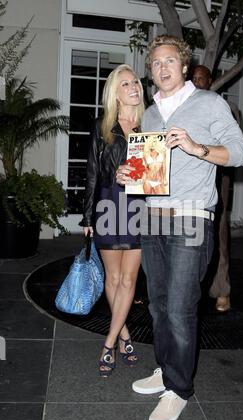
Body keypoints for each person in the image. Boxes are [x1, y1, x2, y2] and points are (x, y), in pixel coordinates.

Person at [117, 35, 243, 420]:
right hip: (154, 219)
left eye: (169, 61)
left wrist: (198, 147)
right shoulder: (152, 114)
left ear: (184, 66)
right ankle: (165, 368)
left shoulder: (209, 103)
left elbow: (240, 152)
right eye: (155, 63)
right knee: (157, 304)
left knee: (179, 307)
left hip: (192, 219)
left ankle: (179, 390)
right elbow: (150, 174)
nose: (162, 68)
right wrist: (129, 175)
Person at [79, 64, 145, 377]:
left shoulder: (152, 124)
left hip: (140, 208)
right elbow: (92, 173)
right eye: (125, 84)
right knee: (114, 278)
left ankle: (108, 343)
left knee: (130, 280)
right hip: (108, 204)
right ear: (115, 95)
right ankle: (125, 335)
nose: (133, 88)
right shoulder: (102, 126)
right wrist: (88, 214)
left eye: (135, 82)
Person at [192, 64, 236, 312]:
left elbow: (234, 150)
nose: (197, 83)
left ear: (211, 81)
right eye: (194, 79)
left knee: (218, 236)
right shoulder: (183, 107)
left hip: (217, 182)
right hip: (188, 188)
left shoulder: (223, 108)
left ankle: (222, 289)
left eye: (202, 79)